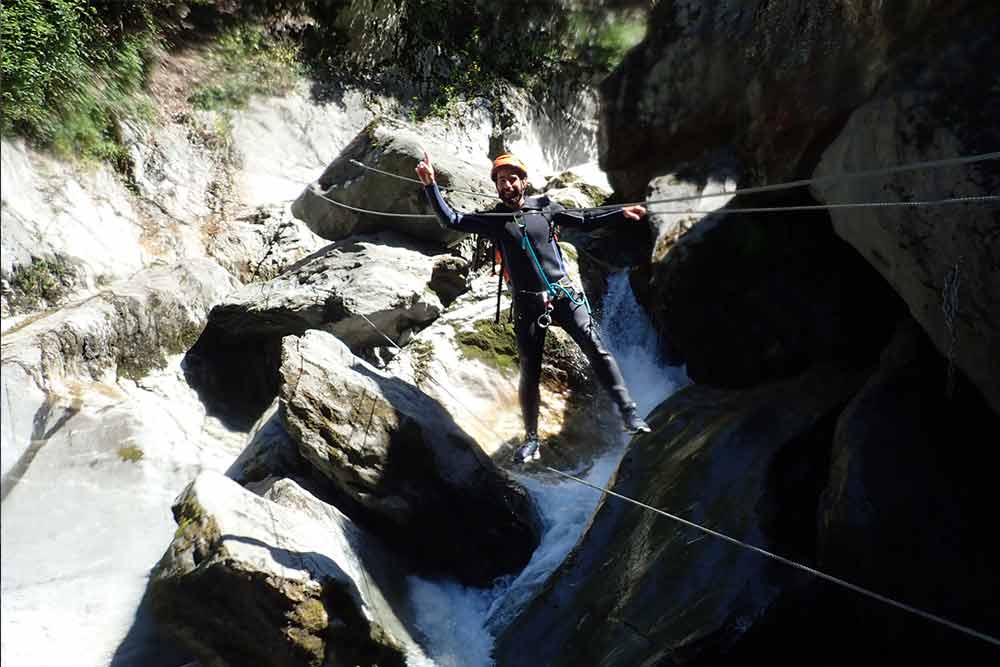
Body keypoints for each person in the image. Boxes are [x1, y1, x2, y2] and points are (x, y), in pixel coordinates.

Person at [416, 152, 651, 464]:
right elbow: (452, 220)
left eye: (512, 178)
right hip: (528, 302)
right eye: (501, 180)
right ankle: (531, 439)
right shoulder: (494, 221)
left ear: (523, 182)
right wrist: (431, 185)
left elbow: (584, 219)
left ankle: (629, 414)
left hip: (563, 295)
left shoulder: (544, 207)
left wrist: (621, 212)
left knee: (596, 349)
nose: (507, 184)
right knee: (530, 371)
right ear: (497, 186)